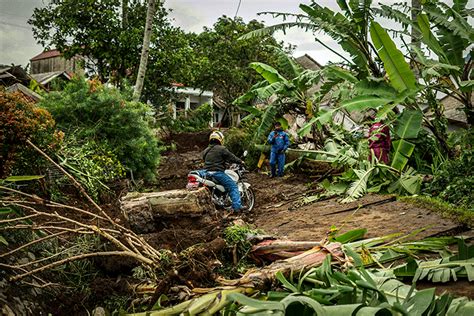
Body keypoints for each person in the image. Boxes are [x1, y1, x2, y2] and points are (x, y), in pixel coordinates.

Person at [201, 130, 244, 212]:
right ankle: (237, 207)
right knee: (233, 186)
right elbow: (231, 157)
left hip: (206, 173)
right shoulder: (221, 149)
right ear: (220, 139)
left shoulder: (206, 150)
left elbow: (206, 159)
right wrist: (240, 161)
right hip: (217, 173)